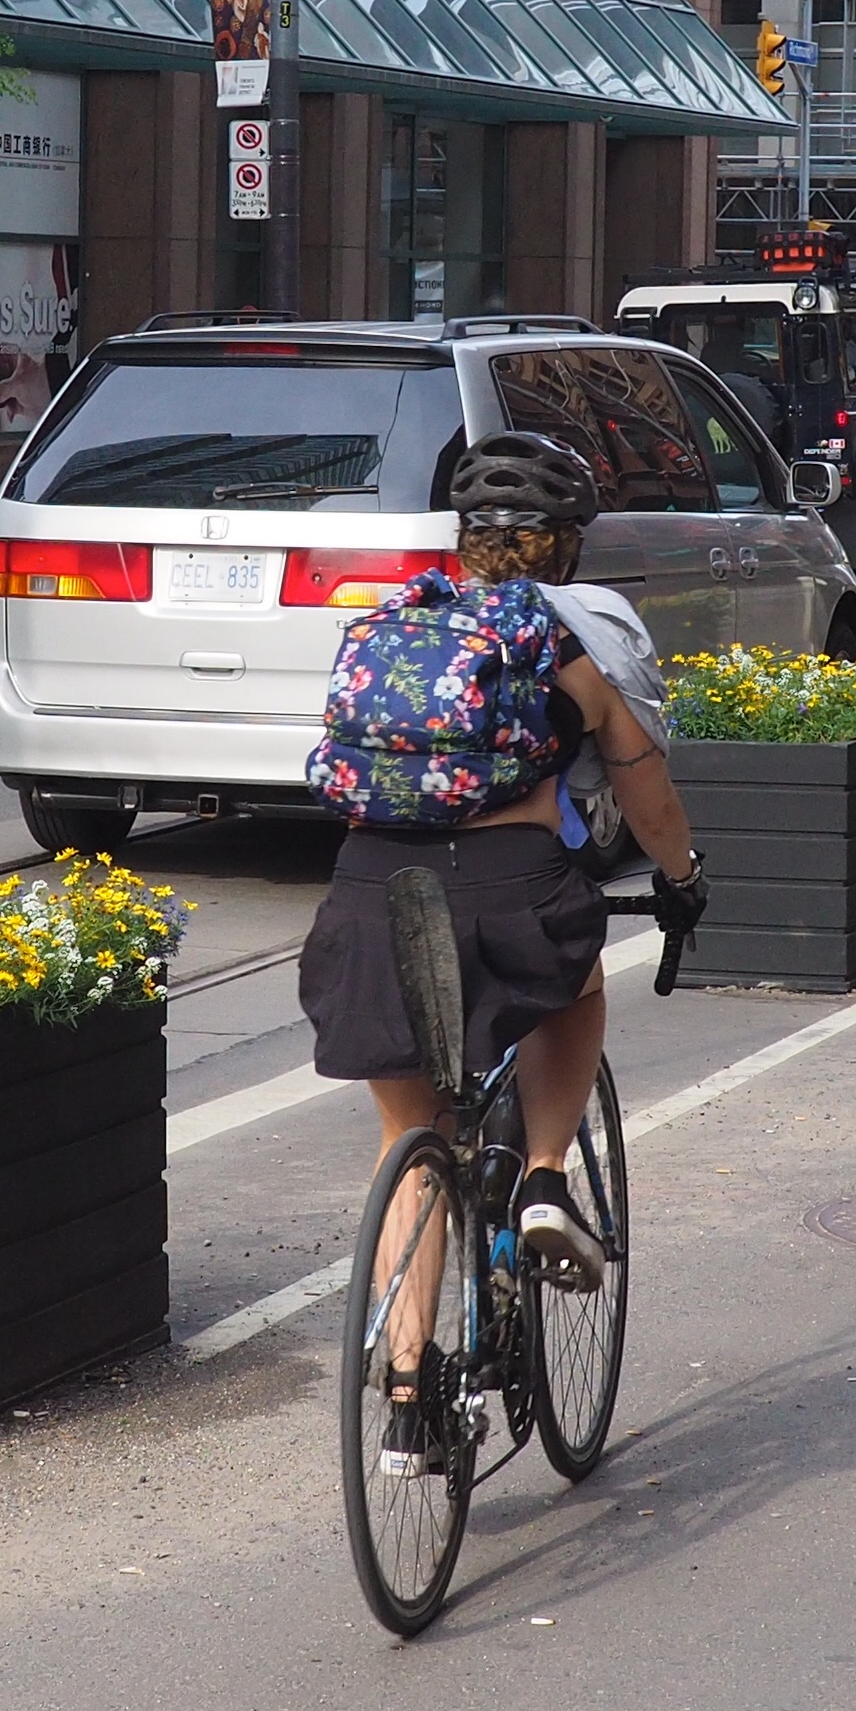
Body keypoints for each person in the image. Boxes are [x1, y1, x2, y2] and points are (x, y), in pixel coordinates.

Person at [297, 433, 708, 1471]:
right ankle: (538, 1178)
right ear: (564, 545)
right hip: (504, 884)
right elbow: (640, 778)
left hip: (367, 892)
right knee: (570, 981)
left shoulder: (393, 619)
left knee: (410, 1145)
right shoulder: (554, 628)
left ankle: (404, 1401)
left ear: (460, 537)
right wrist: (681, 876)